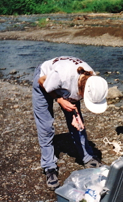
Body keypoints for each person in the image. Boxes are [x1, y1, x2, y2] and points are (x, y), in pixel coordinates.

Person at [32, 56, 108, 190]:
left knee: (78, 124)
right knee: (46, 126)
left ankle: (87, 156)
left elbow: (74, 95)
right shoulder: (61, 76)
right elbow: (41, 82)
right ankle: (49, 167)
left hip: (67, 84)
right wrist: (59, 99)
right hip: (44, 80)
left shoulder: (93, 80)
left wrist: (75, 114)